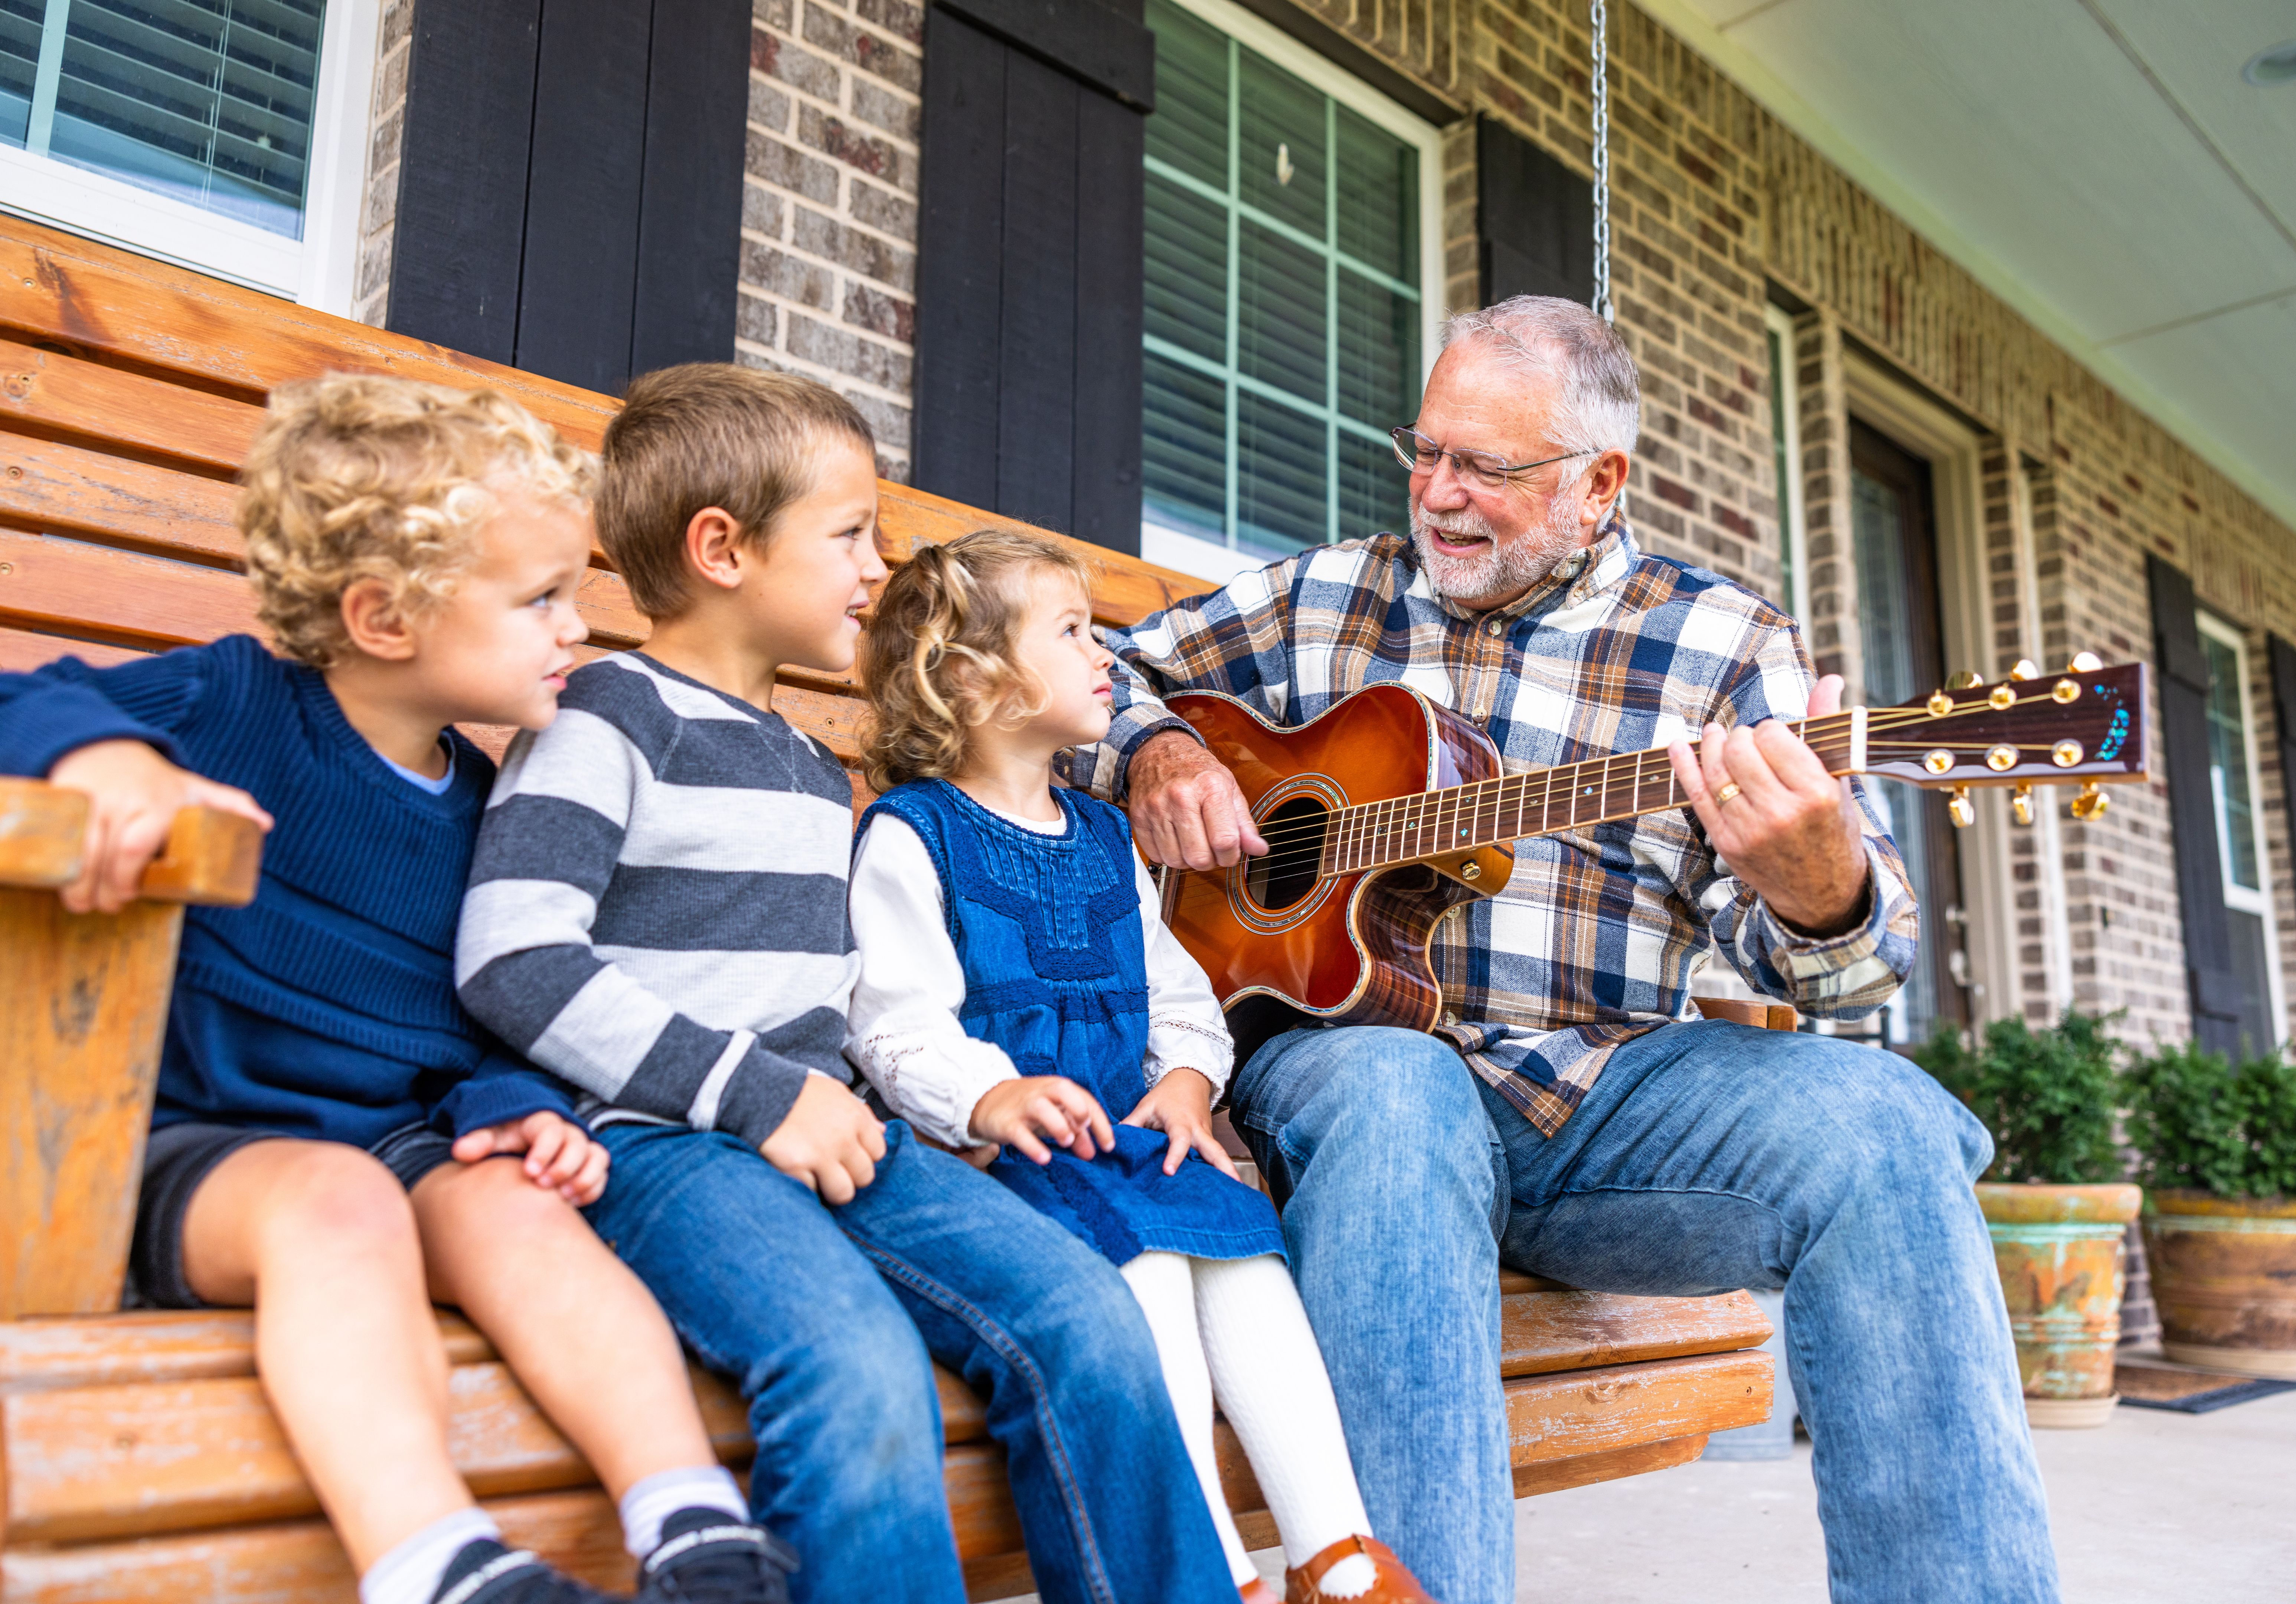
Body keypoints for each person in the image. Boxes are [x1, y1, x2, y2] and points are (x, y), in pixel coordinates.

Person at [1068, 296, 2061, 1604]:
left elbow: (1851, 975)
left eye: (1486, 467)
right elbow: (1088, 669)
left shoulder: (1723, 644)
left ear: (1601, 483)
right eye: (1423, 454)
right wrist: (1159, 748)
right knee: (1394, 1081)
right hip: (1341, 1076)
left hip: (1594, 1099)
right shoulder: (1325, 596)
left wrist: (1814, 885)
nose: (1438, 495)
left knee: (1887, 1133)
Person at [454, 364, 1237, 1604]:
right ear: (722, 548)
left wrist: (957, 1103)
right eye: (847, 535)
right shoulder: (606, 714)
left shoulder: (824, 774)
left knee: (1089, 1320)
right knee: (856, 1364)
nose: (879, 568)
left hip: (839, 1132)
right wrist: (759, 1096)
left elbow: (881, 1001)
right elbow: (514, 956)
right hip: (666, 1141)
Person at [0, 376, 791, 1604]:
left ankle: (695, 1530)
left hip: (400, 1145)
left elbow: (480, 1012)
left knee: (522, 1207)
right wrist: (108, 764)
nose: (575, 630)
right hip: (197, 1155)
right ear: (382, 619)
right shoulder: (233, 704)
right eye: (539, 600)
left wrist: (511, 1109)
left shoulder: (487, 804)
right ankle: (435, 1565)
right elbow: (21, 698)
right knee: (339, 1202)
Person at [846, 529, 1439, 1604]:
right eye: (1071, 633)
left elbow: (1175, 995)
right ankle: (1214, 1570)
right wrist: (990, 1094)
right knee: (1154, 1272)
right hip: (1015, 1159)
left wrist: (1187, 1084)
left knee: (1248, 1256)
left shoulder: (1104, 833)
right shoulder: (914, 835)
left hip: (1137, 1136)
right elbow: (892, 1023)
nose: (1104, 652)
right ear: (977, 683)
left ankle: (1342, 1561)